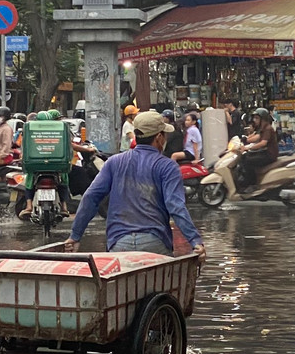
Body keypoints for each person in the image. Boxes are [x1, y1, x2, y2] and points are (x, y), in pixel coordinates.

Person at [64, 110, 205, 259]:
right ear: (158, 137)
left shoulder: (114, 162)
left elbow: (91, 197)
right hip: (155, 242)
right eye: (164, 135)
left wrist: (75, 235)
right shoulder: (168, 167)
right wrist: (195, 241)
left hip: (118, 243)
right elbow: (175, 206)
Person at [236, 107, 279, 190]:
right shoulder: (261, 128)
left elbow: (263, 143)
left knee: (248, 161)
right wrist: (244, 139)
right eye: (254, 118)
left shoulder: (268, 128)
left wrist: (247, 148)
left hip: (269, 154)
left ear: (263, 119)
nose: (254, 120)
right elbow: (255, 136)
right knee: (244, 157)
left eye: (256, 118)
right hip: (264, 152)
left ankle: (252, 184)